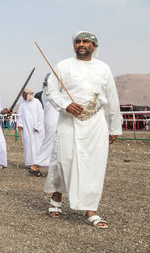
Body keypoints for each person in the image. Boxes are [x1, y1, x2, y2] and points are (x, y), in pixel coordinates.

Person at [44, 31, 122, 228]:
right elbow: (51, 91)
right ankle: (57, 196)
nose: (81, 44)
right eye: (78, 41)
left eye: (86, 41)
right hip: (68, 120)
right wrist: (66, 105)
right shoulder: (63, 66)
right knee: (64, 160)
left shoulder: (103, 68)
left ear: (94, 46)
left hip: (95, 123)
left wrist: (114, 127)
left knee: (93, 165)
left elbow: (112, 99)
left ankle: (90, 211)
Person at [17, 87, 45, 176]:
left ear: (27, 93)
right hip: (26, 129)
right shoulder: (23, 104)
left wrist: (38, 126)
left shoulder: (36, 102)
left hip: (35, 129)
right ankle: (30, 162)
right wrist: (20, 124)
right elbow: (20, 115)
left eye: (23, 93)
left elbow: (41, 115)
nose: (22, 95)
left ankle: (37, 163)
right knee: (28, 145)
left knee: (37, 145)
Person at [36, 73, 59, 168]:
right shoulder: (48, 92)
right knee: (49, 143)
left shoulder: (47, 91)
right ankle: (36, 164)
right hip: (52, 120)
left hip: (54, 119)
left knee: (56, 143)